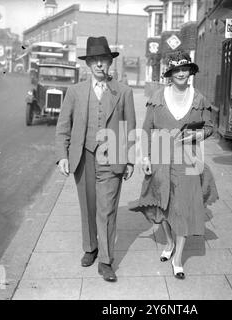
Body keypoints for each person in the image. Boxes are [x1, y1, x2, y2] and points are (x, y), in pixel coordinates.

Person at [130, 51, 218, 280]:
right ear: (170, 74)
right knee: (164, 205)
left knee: (184, 208)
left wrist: (196, 136)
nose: (181, 73)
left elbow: (209, 127)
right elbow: (147, 130)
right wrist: (145, 157)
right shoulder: (158, 97)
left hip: (187, 160)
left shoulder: (198, 98)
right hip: (160, 157)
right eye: (176, 70)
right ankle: (169, 242)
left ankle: (177, 258)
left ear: (190, 72)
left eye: (184, 69)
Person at [55, 36, 136, 282]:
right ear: (87, 64)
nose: (100, 65)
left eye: (104, 60)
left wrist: (129, 159)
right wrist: (62, 156)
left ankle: (106, 260)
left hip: (111, 159)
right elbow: (63, 126)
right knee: (88, 207)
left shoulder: (123, 91)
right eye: (94, 60)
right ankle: (91, 248)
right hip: (84, 158)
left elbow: (129, 129)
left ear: (110, 62)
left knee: (107, 210)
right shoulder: (75, 92)